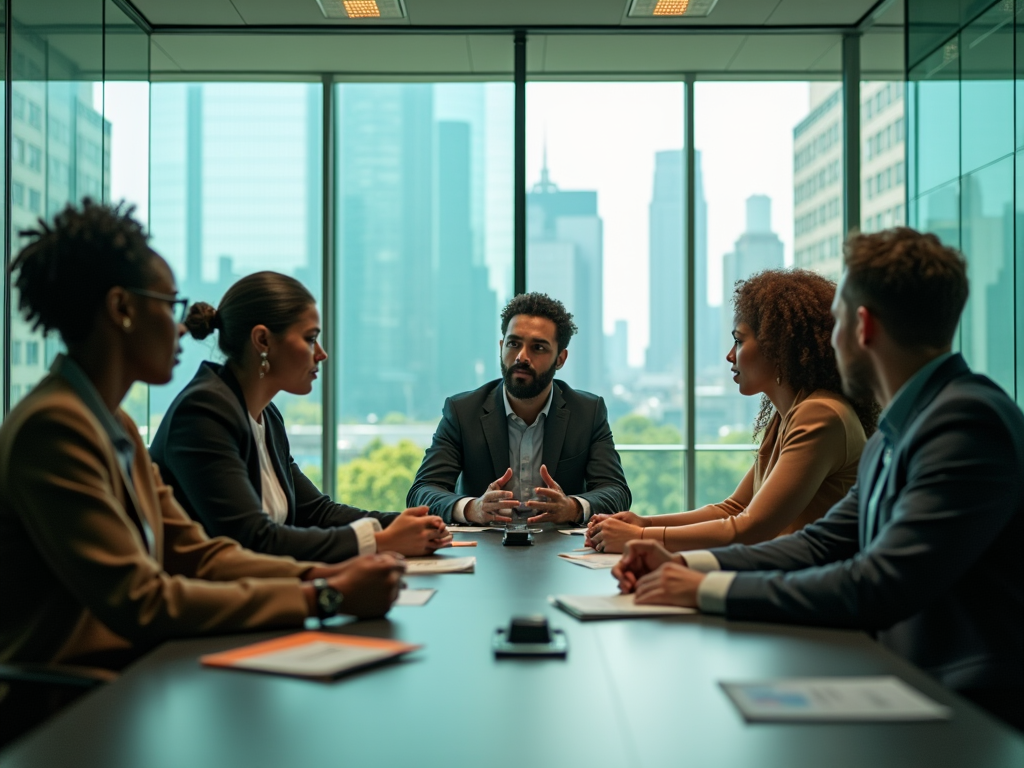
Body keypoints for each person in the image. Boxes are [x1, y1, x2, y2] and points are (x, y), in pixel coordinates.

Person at [0, 201, 404, 742]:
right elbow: (142, 599)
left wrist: (323, 576)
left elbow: (197, 552)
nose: (181, 327)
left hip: (130, 678)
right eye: (167, 307)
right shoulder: (55, 427)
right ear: (121, 308)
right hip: (66, 708)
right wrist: (324, 597)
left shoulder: (110, 420)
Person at [611, 228, 1023, 730]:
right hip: (898, 681)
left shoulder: (966, 422)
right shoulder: (899, 429)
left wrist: (703, 589)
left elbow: (880, 583)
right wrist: (681, 561)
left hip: (964, 710)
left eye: (836, 323)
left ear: (863, 327)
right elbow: (818, 544)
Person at [149, 272, 451, 562]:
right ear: (263, 341)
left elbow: (316, 513)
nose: (321, 353)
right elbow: (253, 540)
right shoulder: (203, 414)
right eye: (310, 339)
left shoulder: (265, 414)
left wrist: (409, 523)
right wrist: (379, 541)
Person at [587, 270, 876, 554]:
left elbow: (751, 528)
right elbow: (734, 508)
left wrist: (640, 536)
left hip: (813, 588)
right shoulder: (788, 415)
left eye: (739, 340)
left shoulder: (820, 414)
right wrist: (644, 522)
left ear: (778, 347)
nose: (730, 355)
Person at [408, 292, 631, 525]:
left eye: (538, 348)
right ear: (501, 347)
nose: (522, 357)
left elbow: (616, 492)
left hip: (559, 551)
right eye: (514, 344)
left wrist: (572, 508)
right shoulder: (462, 412)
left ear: (560, 359)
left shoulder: (588, 412)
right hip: (484, 549)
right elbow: (422, 492)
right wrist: (471, 508)